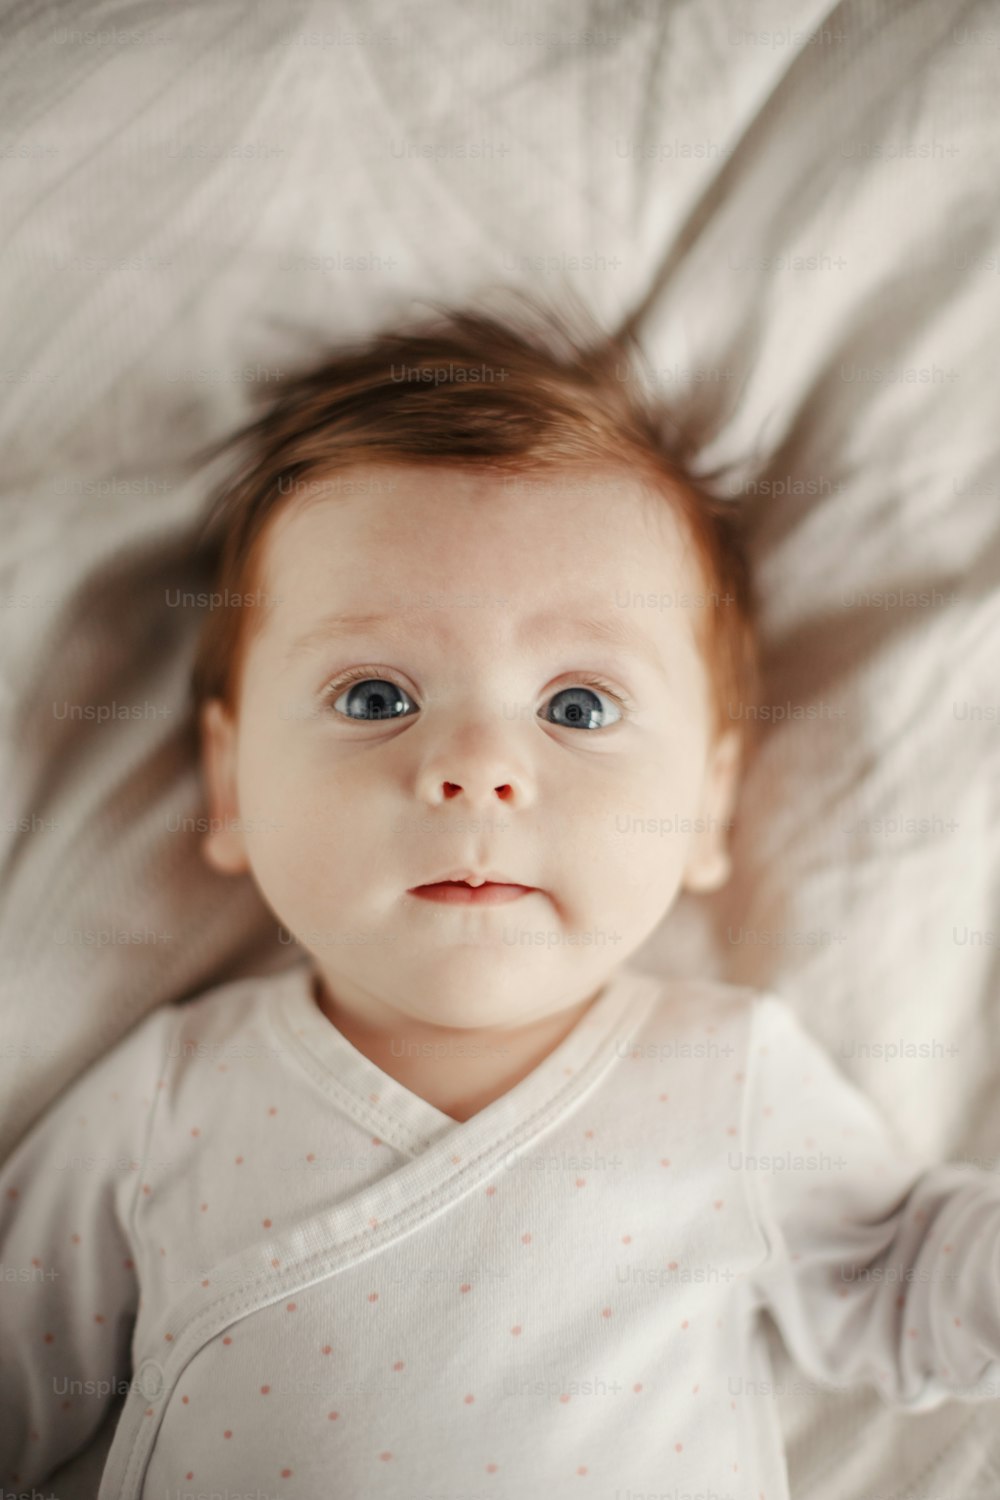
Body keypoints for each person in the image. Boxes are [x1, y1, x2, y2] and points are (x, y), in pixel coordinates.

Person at [2, 301, 999, 1498]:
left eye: (578, 707)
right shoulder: (171, 1102)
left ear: (707, 806)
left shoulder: (727, 1080)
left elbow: (905, 1284)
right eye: (375, 695)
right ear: (230, 786)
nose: (475, 764)